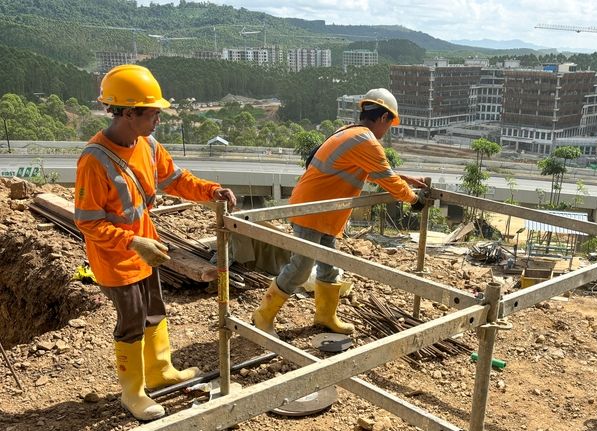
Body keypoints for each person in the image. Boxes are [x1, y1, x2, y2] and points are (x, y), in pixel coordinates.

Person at [74, 64, 236, 421]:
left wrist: (211, 191)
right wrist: (133, 243)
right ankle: (133, 392)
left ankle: (161, 369)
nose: (158, 119)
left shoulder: (147, 145)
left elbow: (175, 179)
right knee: (131, 319)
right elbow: (87, 221)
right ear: (128, 113)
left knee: (154, 310)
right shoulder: (95, 160)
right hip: (116, 258)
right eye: (152, 113)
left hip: (147, 249)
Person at [251, 88, 427, 337]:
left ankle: (325, 316)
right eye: (389, 123)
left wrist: (406, 178)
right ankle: (263, 316)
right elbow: (385, 177)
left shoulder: (351, 133)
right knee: (301, 268)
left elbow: (375, 170)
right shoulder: (366, 141)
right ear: (383, 118)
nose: (388, 129)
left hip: (325, 213)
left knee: (329, 265)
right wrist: (414, 199)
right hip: (311, 211)